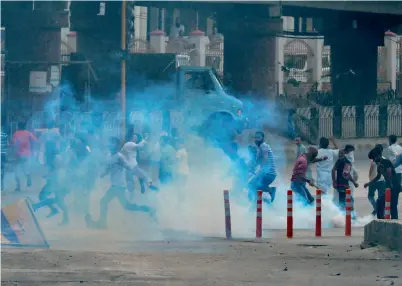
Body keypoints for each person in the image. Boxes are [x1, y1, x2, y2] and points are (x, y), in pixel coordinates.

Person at [90, 137, 156, 229]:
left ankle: (102, 223)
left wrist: (131, 179)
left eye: (112, 143)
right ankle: (149, 209)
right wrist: (103, 174)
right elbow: (109, 167)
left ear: (117, 146)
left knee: (104, 202)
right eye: (110, 143)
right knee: (127, 206)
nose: (110, 145)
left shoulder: (119, 157)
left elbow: (129, 167)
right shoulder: (109, 155)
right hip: (115, 185)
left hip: (119, 186)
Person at [31, 141, 69, 225]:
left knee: (56, 199)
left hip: (57, 181)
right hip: (56, 180)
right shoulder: (55, 157)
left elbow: (58, 169)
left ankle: (40, 206)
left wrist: (50, 177)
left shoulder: (56, 157)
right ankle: (55, 211)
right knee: (57, 200)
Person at [364, 147, 401, 219]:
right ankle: (381, 219)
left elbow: (389, 172)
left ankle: (394, 221)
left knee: (392, 205)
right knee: (380, 203)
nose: (374, 160)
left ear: (379, 155)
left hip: (394, 186)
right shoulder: (379, 165)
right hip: (389, 187)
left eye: (374, 158)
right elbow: (378, 177)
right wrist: (369, 183)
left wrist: (390, 185)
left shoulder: (386, 161)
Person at [121, 130, 157, 195]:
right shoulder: (129, 144)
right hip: (130, 167)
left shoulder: (131, 146)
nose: (136, 138)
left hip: (133, 166)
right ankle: (130, 193)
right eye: (135, 137)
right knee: (131, 181)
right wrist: (145, 140)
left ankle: (148, 185)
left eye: (136, 137)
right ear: (131, 138)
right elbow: (139, 146)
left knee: (143, 175)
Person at [248, 131, 277, 204]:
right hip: (269, 173)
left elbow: (265, 158)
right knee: (255, 186)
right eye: (255, 137)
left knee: (252, 185)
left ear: (262, 138)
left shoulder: (263, 146)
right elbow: (257, 162)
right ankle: (264, 202)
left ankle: (270, 191)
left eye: (258, 137)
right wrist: (252, 168)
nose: (256, 139)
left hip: (268, 173)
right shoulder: (261, 147)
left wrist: (260, 171)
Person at [12, 122, 37, 191]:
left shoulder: (16, 134)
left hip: (18, 155)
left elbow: (14, 144)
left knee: (16, 171)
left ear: (18, 126)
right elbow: (35, 141)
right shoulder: (28, 133)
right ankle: (29, 182)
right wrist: (32, 149)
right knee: (26, 169)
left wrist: (14, 153)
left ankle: (18, 186)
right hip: (27, 154)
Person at [332, 145, 358, 211]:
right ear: (348, 152)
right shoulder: (347, 161)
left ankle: (342, 216)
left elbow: (333, 170)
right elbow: (346, 174)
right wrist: (354, 182)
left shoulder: (340, 160)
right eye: (351, 151)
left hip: (339, 184)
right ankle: (351, 216)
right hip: (344, 185)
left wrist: (334, 182)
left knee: (342, 201)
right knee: (350, 201)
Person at [367, 144, 386, 216]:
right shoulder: (384, 159)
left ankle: (376, 208)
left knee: (370, 196)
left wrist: (369, 179)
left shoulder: (373, 161)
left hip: (373, 181)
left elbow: (370, 171)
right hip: (382, 181)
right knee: (381, 197)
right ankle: (380, 210)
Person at [1, 126, 8, 191]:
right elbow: (7, 145)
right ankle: (1, 185)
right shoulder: (4, 135)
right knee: (3, 169)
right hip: (3, 154)